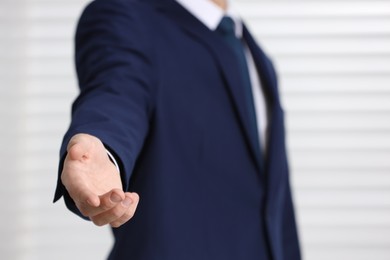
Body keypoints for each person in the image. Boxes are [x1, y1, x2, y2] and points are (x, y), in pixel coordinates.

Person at [54, 0, 301, 259]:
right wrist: (103, 146)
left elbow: (275, 209)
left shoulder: (253, 52)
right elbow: (117, 91)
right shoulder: (126, 16)